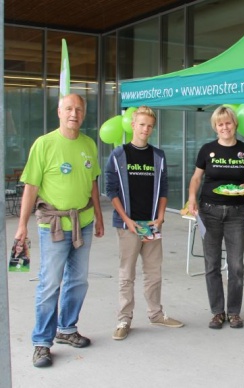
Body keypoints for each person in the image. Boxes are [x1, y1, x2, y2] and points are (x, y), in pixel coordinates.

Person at [14, 93, 104, 368]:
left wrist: (99, 217)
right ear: (59, 112)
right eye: (68, 108)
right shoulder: (44, 144)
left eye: (78, 108)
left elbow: (92, 184)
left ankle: (67, 329)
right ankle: (42, 343)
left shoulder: (89, 144)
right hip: (53, 225)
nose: (74, 113)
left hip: (84, 223)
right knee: (50, 283)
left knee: (78, 281)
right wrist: (21, 227)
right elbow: (30, 187)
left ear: (84, 113)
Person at [105, 106, 183, 340]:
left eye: (149, 126)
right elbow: (111, 190)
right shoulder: (118, 155)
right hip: (128, 224)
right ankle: (123, 320)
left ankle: (156, 314)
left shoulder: (158, 156)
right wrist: (126, 220)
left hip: (151, 224)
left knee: (154, 273)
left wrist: (160, 216)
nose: (145, 129)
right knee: (126, 274)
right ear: (133, 125)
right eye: (141, 124)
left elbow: (164, 189)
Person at [188, 106, 244, 329]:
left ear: (235, 124)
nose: (225, 127)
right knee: (212, 264)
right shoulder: (207, 149)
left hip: (236, 212)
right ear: (215, 127)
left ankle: (234, 312)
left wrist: (243, 187)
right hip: (209, 211)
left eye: (228, 123)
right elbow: (197, 178)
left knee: (236, 265)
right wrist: (191, 198)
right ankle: (217, 312)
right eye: (220, 124)